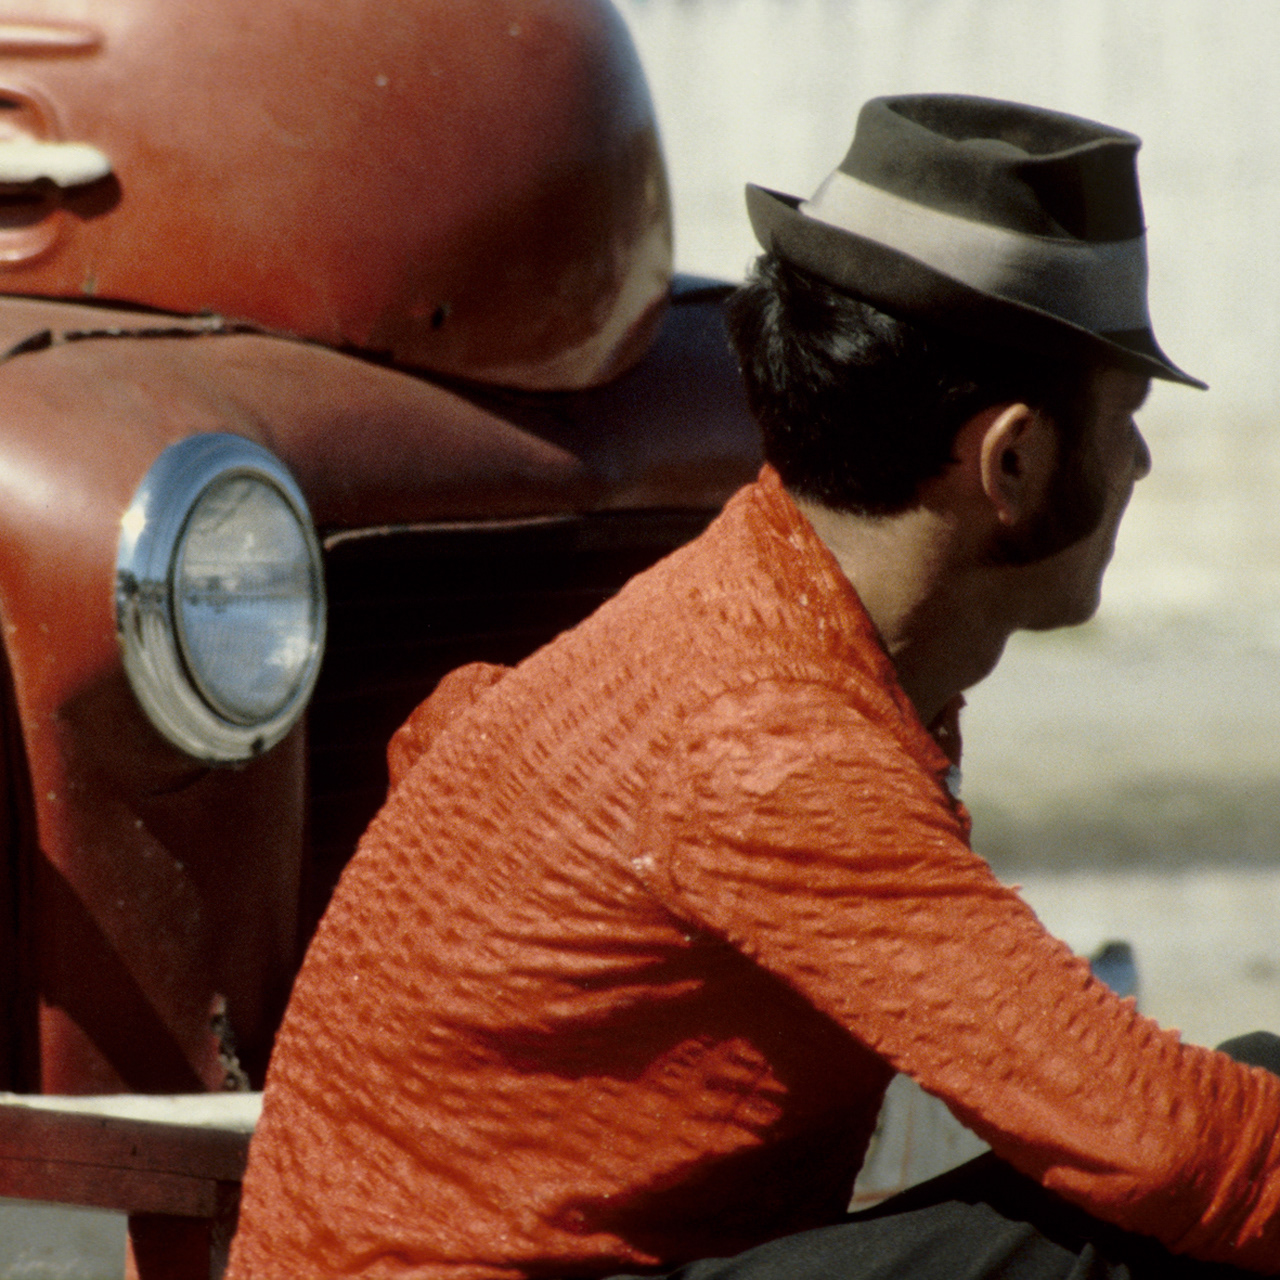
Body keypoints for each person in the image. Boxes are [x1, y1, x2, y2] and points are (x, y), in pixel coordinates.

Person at [226, 95, 1280, 1278]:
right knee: (1149, 1221)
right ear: (1014, 459)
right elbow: (1169, 1146)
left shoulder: (737, 624)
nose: (1137, 460)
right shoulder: (774, 740)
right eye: (1123, 419)